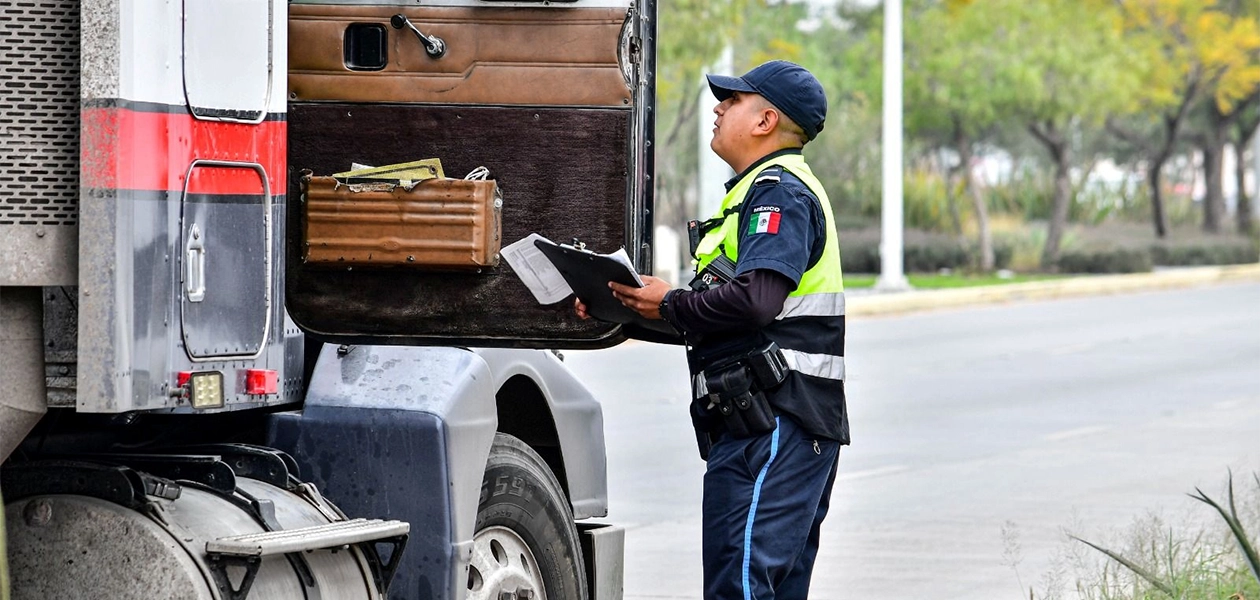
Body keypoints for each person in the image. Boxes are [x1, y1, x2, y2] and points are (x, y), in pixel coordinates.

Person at [576, 60, 847, 599]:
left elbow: (755, 303)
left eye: (734, 100)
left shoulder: (778, 193)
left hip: (775, 425)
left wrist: (670, 302)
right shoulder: (755, 194)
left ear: (767, 120)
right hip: (768, 423)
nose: (719, 108)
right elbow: (728, 321)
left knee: (739, 588)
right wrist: (634, 313)